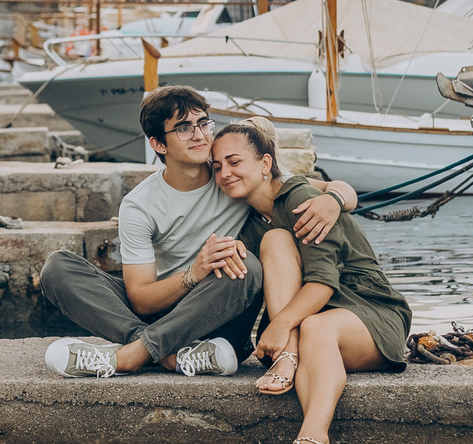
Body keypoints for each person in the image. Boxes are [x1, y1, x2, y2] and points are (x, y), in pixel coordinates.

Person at [37, 86, 355, 378]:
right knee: (58, 267)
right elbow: (141, 299)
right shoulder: (139, 205)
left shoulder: (231, 174)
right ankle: (165, 354)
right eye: (184, 128)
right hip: (165, 314)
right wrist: (194, 272)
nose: (200, 135)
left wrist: (333, 199)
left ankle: (133, 356)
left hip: (221, 316)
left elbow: (335, 189)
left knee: (244, 266)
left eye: (204, 123)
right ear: (158, 143)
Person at [210, 117, 412, 444]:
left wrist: (282, 325)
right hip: (313, 320)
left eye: (234, 162)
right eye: (218, 166)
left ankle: (314, 441)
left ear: (265, 163)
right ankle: (290, 351)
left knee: (317, 327)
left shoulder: (301, 198)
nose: (224, 172)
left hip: (368, 310)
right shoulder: (253, 224)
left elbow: (323, 283)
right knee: (276, 243)